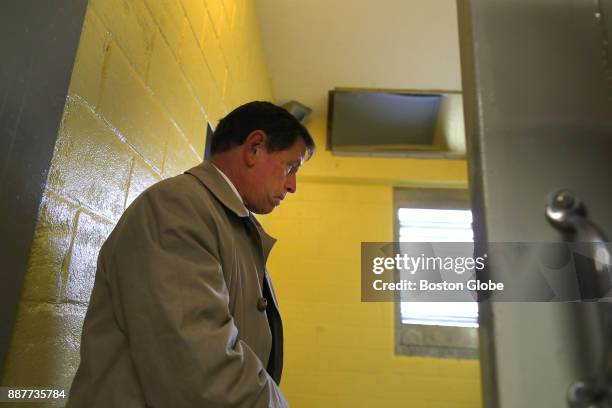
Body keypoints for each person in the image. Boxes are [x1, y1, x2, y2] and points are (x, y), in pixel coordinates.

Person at [67, 101, 315, 407]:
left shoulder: (227, 223)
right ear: (255, 148)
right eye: (291, 167)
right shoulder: (177, 208)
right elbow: (202, 375)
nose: (292, 186)